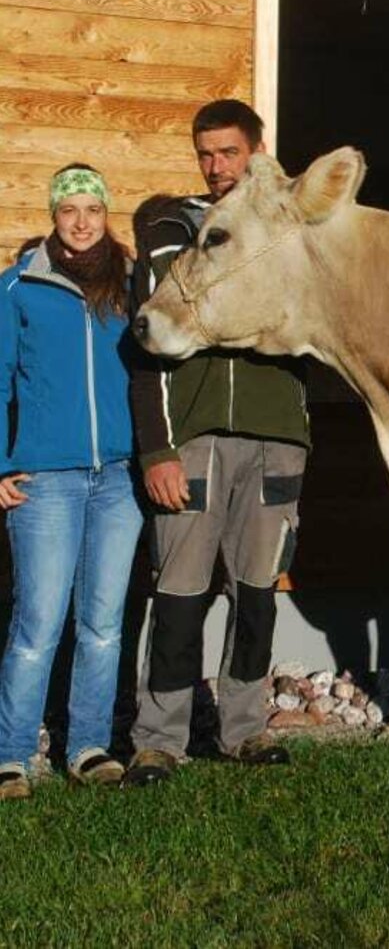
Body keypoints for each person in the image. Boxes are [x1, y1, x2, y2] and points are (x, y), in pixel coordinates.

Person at [123, 100, 310, 786]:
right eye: (206, 153)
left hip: (277, 440)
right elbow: (145, 353)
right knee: (178, 592)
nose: (216, 166)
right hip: (194, 442)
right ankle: (159, 741)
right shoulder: (174, 235)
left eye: (229, 152)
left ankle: (245, 730)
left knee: (257, 592)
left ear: (257, 149)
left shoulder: (291, 236)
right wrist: (157, 451)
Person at [0, 164, 144, 800]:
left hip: (118, 479)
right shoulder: (19, 287)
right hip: (47, 481)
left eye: (93, 208)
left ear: (106, 214)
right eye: (69, 210)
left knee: (105, 621)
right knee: (37, 622)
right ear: (53, 216)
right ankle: (11, 754)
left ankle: (87, 746)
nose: (82, 222)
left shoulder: (131, 285)